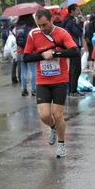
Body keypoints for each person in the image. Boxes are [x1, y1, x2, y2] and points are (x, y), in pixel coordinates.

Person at [23, 9, 80, 157]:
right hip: (42, 79)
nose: (42, 28)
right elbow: (26, 57)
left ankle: (61, 145)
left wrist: (55, 53)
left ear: (51, 20)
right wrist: (43, 56)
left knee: (57, 114)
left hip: (60, 79)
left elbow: (74, 51)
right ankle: (53, 127)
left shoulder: (62, 33)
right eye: (39, 25)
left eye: (44, 24)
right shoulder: (33, 34)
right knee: (44, 115)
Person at [62, 4, 84, 97]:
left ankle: (71, 89)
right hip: (74, 46)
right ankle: (73, 90)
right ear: (72, 11)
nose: (78, 12)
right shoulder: (71, 21)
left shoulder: (67, 20)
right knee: (76, 69)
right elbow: (77, 32)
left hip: (70, 46)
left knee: (72, 68)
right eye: (77, 10)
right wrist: (81, 23)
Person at [16, 14, 37, 96]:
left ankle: (23, 89)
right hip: (30, 51)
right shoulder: (31, 27)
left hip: (20, 51)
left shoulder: (18, 26)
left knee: (23, 71)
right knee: (32, 70)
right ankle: (33, 89)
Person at [9, 16, 21, 84]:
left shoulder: (12, 29)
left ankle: (13, 78)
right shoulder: (17, 29)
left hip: (13, 47)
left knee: (14, 62)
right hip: (17, 47)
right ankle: (20, 77)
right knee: (19, 63)